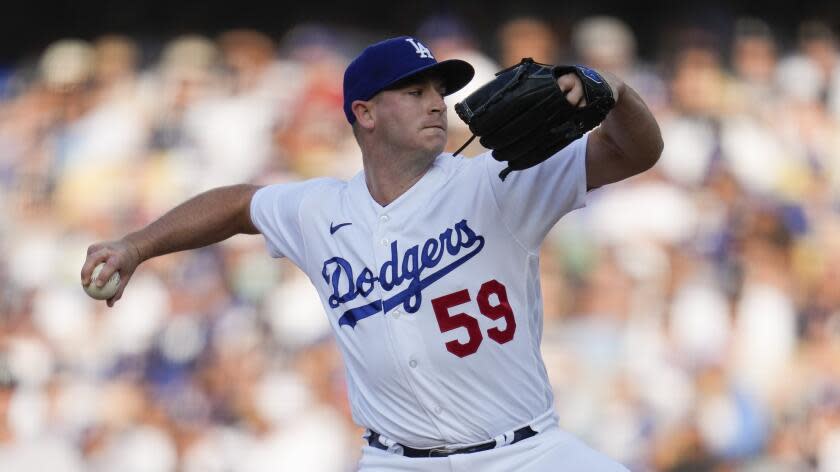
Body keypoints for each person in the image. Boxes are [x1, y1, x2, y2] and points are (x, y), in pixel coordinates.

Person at [81, 35, 662, 471]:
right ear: (365, 113)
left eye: (440, 91)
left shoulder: (495, 181)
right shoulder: (320, 211)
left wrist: (612, 91)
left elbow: (634, 152)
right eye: (415, 92)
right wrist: (135, 246)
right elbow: (238, 205)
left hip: (524, 453)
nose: (437, 103)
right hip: (395, 461)